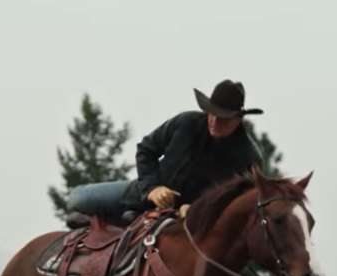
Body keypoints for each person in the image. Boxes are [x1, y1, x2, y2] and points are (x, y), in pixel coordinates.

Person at [64, 79, 266, 227]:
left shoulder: (248, 159)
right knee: (78, 198)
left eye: (222, 118)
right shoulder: (186, 123)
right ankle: (113, 223)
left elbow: (237, 205)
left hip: (194, 222)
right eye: (211, 113)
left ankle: (115, 221)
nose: (214, 121)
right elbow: (146, 149)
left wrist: (197, 209)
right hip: (143, 194)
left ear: (238, 119)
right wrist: (153, 188)